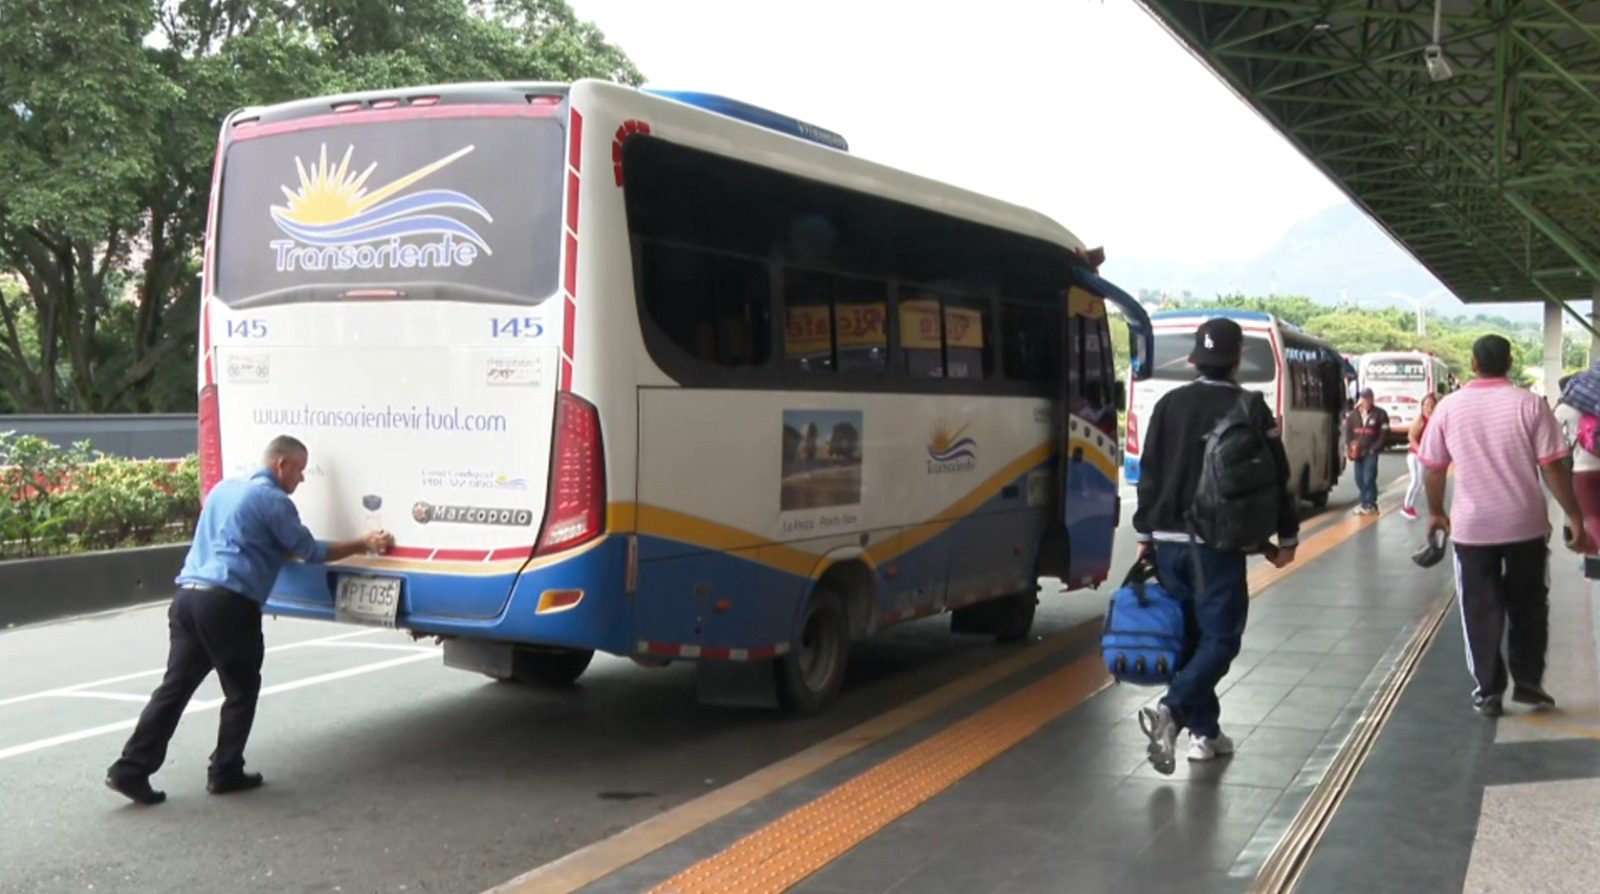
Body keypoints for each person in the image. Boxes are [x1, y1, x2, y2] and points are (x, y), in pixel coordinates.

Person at [105, 436, 394, 805]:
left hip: (188, 598)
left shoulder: (224, 490)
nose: (301, 480)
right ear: (281, 465)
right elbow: (310, 551)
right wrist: (364, 542)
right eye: (300, 471)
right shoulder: (274, 501)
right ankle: (225, 770)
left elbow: (241, 537)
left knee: (174, 689)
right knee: (241, 690)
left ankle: (130, 768)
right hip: (228, 603)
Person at [1131, 317, 1298, 773]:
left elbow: (1149, 472)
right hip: (1216, 544)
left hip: (1167, 541)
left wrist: (1144, 535)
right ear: (1238, 358)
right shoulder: (1249, 407)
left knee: (1188, 639)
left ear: (1192, 360)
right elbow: (1276, 476)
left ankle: (1206, 735)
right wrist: (1287, 536)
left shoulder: (1168, 404)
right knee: (1221, 638)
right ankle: (1175, 709)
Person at [1419, 336, 1593, 717]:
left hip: (1472, 529)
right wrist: (1575, 515)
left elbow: (1432, 467)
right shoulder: (1530, 404)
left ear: (1473, 362)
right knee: (1529, 604)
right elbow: (1552, 466)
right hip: (1524, 525)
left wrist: (1435, 511)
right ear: (1510, 362)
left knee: (1480, 609)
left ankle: (1489, 690)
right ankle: (1529, 684)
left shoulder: (1449, 407)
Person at [1343, 388, 1389, 514]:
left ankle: (1370, 503)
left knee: (1369, 477)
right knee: (1359, 478)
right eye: (1364, 398)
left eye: (1368, 398)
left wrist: (1375, 448)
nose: (1366, 401)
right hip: (1357, 452)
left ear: (1372, 399)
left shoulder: (1380, 414)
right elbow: (1348, 434)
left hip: (1371, 452)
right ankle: (1364, 502)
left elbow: (1384, 434)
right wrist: (1349, 447)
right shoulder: (1353, 415)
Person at [1401, 391, 1440, 521]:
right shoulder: (1420, 421)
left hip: (1424, 456)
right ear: (1422, 407)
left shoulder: (1434, 420)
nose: (1429, 408)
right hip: (1414, 455)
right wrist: (1420, 450)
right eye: (1427, 405)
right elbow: (1411, 437)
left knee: (1420, 483)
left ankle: (1410, 506)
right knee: (1416, 481)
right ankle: (1406, 506)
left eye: (1432, 405)